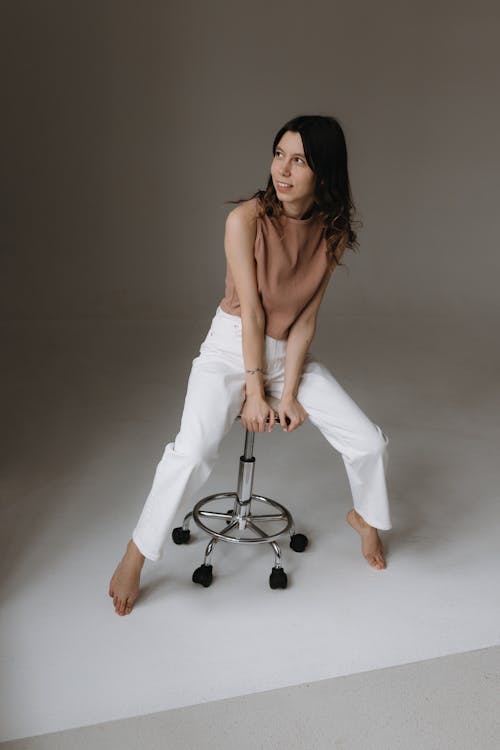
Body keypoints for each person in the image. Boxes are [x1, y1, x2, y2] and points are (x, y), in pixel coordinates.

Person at [109, 114, 392, 616]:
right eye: (279, 154)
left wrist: (285, 394)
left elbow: (305, 320)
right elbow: (253, 310)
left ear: (323, 173)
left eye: (299, 160)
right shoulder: (245, 220)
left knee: (368, 441)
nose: (283, 170)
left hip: (289, 358)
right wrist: (255, 391)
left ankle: (365, 518)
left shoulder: (333, 232)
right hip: (230, 348)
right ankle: (136, 552)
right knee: (192, 453)